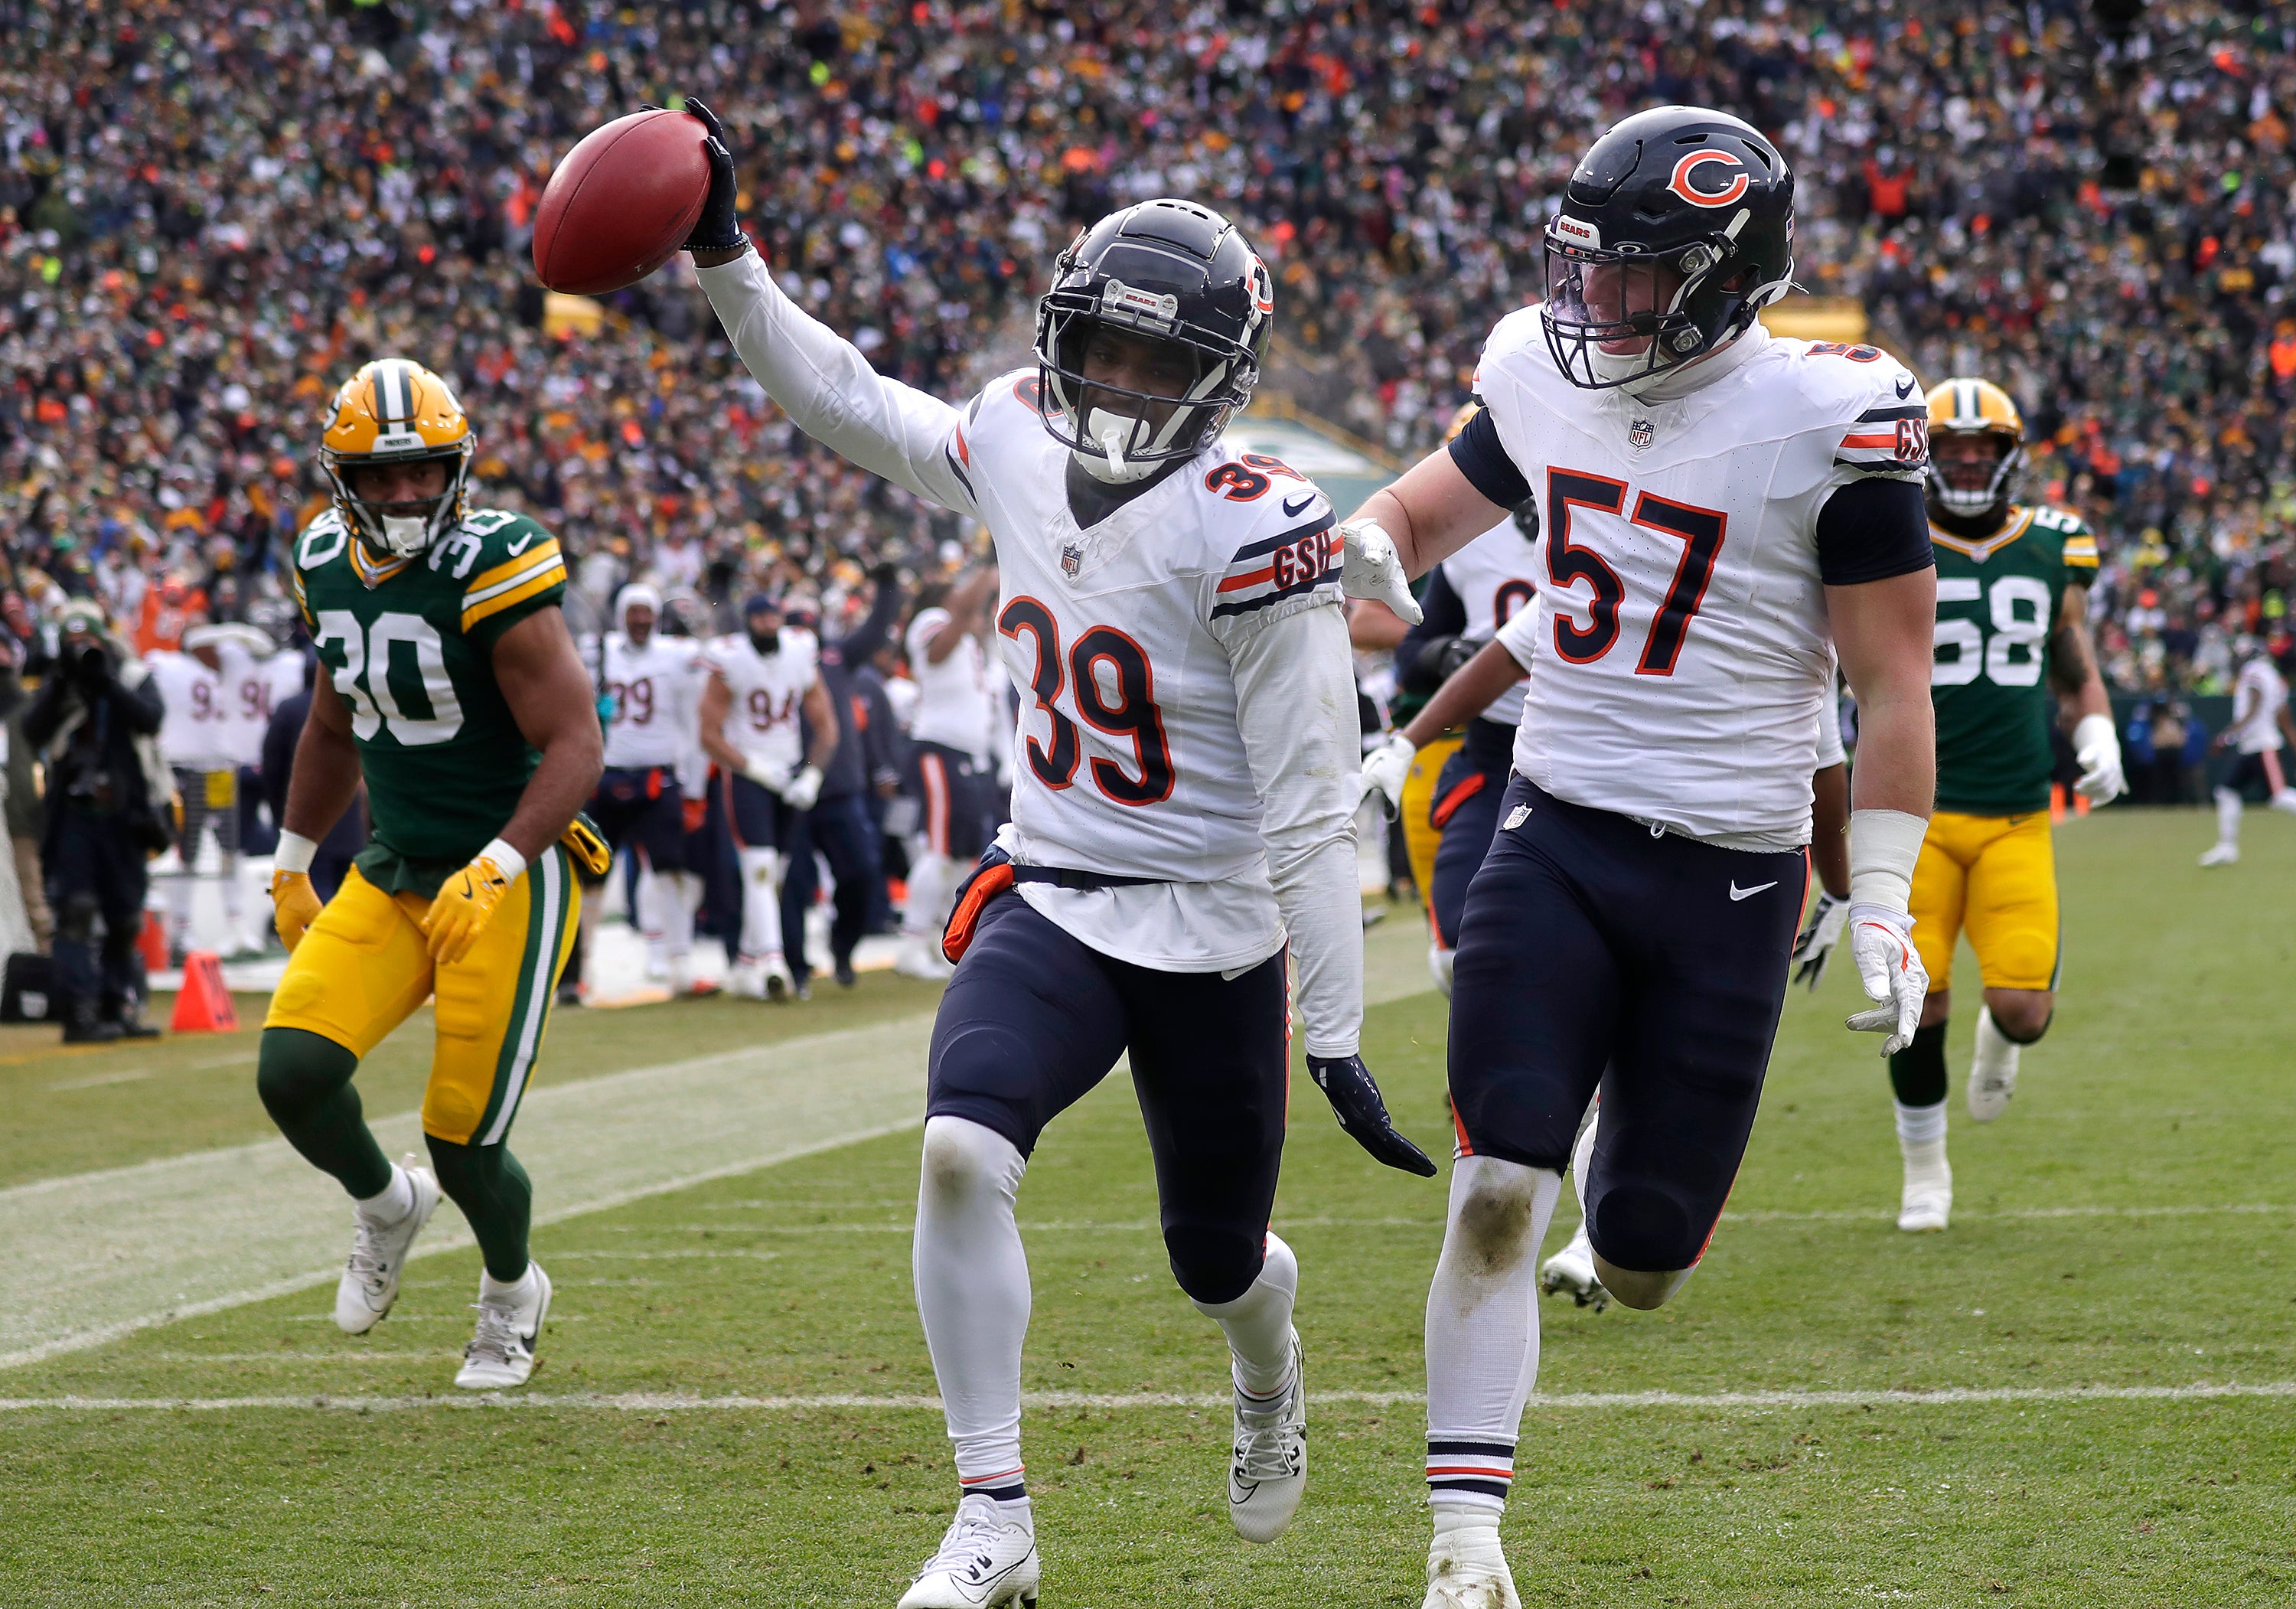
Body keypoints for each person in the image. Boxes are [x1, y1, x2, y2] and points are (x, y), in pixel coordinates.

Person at [682, 100, 1435, 1607]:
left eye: (1164, 361)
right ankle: (994, 1515)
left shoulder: (1258, 525)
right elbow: (849, 398)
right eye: (1109, 346)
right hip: (1057, 890)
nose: (1125, 382)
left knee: (1219, 1261)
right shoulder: (1016, 429)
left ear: (1219, 381)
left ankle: (1268, 1372)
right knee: (961, 1150)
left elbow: (1302, 803)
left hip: (1215, 923)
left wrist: (1338, 1030)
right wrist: (724, 256)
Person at [1339, 107, 1940, 1607]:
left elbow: (1895, 682)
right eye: (1583, 267)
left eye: (1630, 274)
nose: (1588, 301)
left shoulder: (1834, 410)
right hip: (1556, 828)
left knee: (1650, 1253)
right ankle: (1465, 1544)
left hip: (1731, 877)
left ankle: (1642, 1227)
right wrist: (1361, 544)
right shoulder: (1537, 368)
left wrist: (1876, 895)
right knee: (1498, 1180)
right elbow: (1421, 510)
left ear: (1725, 273)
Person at [257, 358, 606, 1392]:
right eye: (383, 474)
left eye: (425, 471)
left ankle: (510, 1288)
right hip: (396, 862)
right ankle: (385, 1205)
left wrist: (501, 863)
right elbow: (333, 720)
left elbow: (576, 741)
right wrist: (288, 859)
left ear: (458, 468)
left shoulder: (496, 559)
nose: (407, 493)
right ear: (343, 479)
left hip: (511, 870)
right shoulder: (321, 556)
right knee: (294, 1072)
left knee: (462, 1134)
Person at [1869, 377, 2122, 1232]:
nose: (1970, 464)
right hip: (1918, 816)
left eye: (1985, 450)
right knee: (1917, 1005)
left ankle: (1999, 1043)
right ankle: (1924, 1171)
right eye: (1956, 449)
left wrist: (2098, 732)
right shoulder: (1890, 533)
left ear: (2011, 457)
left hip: (2017, 810)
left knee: (2023, 1011)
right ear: (1929, 455)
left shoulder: (2055, 542)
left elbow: (2075, 661)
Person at [1362, 415, 1540, 995]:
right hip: (1494, 747)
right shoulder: (1473, 541)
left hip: (1596, 743)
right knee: (1456, 950)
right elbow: (1411, 650)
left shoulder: (1604, 511)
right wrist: (1449, 652)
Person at [23, 599, 170, 1043]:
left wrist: (105, 682)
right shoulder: (59, 682)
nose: (81, 649)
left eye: (87, 641)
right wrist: (62, 682)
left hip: (125, 813)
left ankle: (116, 1004)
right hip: (74, 816)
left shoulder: (130, 674)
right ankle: (79, 1012)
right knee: (76, 912)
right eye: (72, 642)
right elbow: (32, 733)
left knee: (125, 917)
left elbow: (150, 719)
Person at [697, 592, 837, 1000]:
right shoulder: (730, 659)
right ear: (746, 622)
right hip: (747, 774)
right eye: (758, 618)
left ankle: (745, 962)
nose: (766, 624)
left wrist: (812, 776)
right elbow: (708, 735)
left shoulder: (799, 651)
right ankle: (773, 964)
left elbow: (827, 727)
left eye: (771, 616)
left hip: (790, 769)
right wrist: (753, 768)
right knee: (758, 868)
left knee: (774, 875)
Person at [585, 583, 709, 994]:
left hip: (658, 777)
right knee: (590, 878)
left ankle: (680, 964)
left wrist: (694, 784)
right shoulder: (597, 652)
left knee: (671, 871)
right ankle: (579, 971)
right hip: (606, 775)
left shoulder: (676, 656)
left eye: (646, 613)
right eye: (633, 612)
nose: (640, 620)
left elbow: (695, 720)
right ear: (622, 614)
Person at [785, 563, 905, 987]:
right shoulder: (774, 663)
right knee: (793, 886)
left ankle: (842, 949)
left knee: (861, 872)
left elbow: (876, 629)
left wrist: (888, 586)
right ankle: (796, 968)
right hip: (790, 792)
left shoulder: (836, 659)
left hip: (839, 790)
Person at [895, 568, 1000, 981]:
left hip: (969, 756)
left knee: (963, 854)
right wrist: (987, 573)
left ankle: (943, 938)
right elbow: (951, 628)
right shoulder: (932, 623)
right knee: (939, 850)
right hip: (939, 748)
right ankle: (911, 941)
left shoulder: (971, 641)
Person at [2199, 636, 2296, 866]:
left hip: (2261, 745)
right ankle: (2227, 847)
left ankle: (2227, 846)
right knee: (2227, 791)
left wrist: (2227, 736)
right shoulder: (2272, 675)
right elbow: (2283, 715)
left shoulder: (2254, 672)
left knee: (2279, 796)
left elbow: (2255, 705)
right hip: (2253, 746)